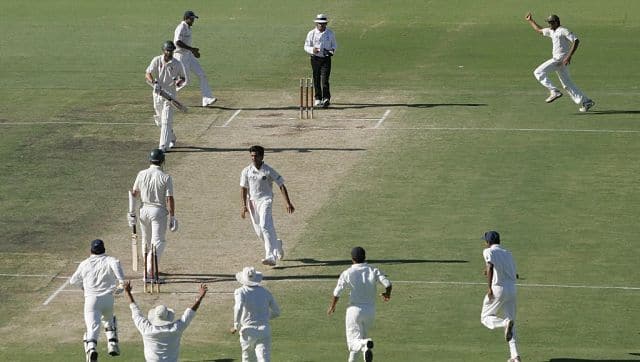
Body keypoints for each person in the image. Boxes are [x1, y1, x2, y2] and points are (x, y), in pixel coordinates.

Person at [327, 247, 392, 362]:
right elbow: (388, 284)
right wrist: (387, 294)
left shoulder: (347, 273)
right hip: (370, 312)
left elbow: (337, 293)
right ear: (365, 257)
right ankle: (363, 347)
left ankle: (366, 344)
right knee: (358, 341)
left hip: (354, 311)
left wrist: (333, 305)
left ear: (352, 259)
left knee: (354, 343)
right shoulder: (373, 270)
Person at [525, 12, 595, 112]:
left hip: (559, 60)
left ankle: (554, 91)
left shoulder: (563, 30)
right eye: (549, 22)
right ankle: (586, 101)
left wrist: (568, 56)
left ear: (557, 22)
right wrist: (531, 21)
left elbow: (576, 40)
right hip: (560, 61)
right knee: (567, 84)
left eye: (551, 22)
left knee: (538, 72)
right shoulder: (551, 31)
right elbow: (539, 30)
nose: (550, 24)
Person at [69, 239, 126, 362]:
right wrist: (121, 284)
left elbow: (73, 280)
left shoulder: (84, 264)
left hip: (91, 300)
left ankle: (91, 349)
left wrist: (83, 287)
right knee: (109, 320)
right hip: (108, 299)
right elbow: (117, 264)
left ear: (91, 250)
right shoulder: (110, 260)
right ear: (104, 249)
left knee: (92, 327)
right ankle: (112, 344)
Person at [124, 280, 207, 361]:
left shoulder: (146, 330)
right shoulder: (176, 329)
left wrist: (128, 293)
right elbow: (189, 314)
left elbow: (135, 311)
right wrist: (200, 298)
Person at [240, 145, 295, 267]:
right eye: (252, 156)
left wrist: (287, 202)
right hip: (252, 203)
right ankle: (277, 244)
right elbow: (243, 188)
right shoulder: (246, 171)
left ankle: (271, 256)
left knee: (265, 225)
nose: (253, 158)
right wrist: (244, 206)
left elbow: (281, 185)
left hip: (266, 200)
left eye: (256, 156)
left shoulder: (268, 170)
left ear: (262, 156)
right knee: (260, 232)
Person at [128, 148, 178, 281]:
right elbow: (169, 198)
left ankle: (148, 269)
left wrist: (131, 212)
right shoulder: (166, 177)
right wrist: (172, 216)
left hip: (143, 211)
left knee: (147, 241)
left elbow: (134, 193)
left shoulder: (141, 174)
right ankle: (150, 271)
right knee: (159, 242)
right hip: (158, 211)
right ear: (162, 161)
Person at [480, 231, 521, 362]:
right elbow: (515, 274)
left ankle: (504, 323)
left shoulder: (488, 251)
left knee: (485, 317)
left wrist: (489, 288)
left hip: (498, 288)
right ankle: (515, 356)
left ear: (488, 242)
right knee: (511, 323)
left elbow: (490, 266)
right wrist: (487, 270)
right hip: (512, 289)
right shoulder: (508, 253)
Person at [230, 266, 281, 362]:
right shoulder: (265, 292)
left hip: (248, 330)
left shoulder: (240, 291)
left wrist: (236, 325)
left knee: (247, 358)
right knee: (264, 358)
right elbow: (277, 312)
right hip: (264, 330)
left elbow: (238, 306)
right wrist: (264, 318)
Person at [145, 40, 187, 152]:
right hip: (157, 95)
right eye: (168, 50)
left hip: (169, 97)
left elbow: (183, 78)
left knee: (166, 121)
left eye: (172, 50)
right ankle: (172, 136)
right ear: (163, 50)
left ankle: (163, 146)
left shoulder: (177, 64)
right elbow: (148, 73)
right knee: (159, 120)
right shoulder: (157, 60)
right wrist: (154, 82)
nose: (170, 52)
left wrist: (179, 82)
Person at [173, 10, 217, 107]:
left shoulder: (188, 28)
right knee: (186, 81)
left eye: (193, 19)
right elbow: (177, 42)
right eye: (191, 19)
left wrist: (192, 51)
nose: (193, 21)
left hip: (188, 55)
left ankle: (207, 99)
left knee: (202, 75)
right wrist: (192, 49)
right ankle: (168, 94)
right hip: (180, 56)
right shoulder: (181, 27)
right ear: (186, 18)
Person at [304, 13, 337, 108]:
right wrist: (312, 50)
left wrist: (331, 51)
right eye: (320, 23)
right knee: (316, 78)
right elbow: (306, 46)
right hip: (315, 59)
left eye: (323, 23)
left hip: (326, 58)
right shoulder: (311, 33)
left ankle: (326, 98)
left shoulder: (330, 33)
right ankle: (318, 98)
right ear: (316, 24)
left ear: (326, 24)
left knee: (325, 79)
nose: (321, 25)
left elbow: (334, 45)